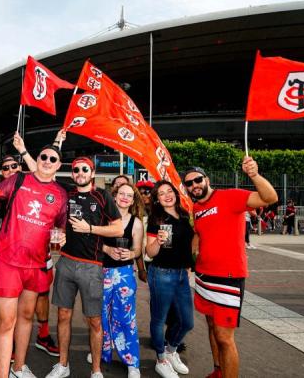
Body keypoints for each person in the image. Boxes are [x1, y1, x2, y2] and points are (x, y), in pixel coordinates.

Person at [186, 158, 278, 378]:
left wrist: (254, 175)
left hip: (227, 277)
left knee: (224, 337)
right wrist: (191, 258)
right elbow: (200, 234)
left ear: (206, 179)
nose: (194, 186)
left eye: (197, 180)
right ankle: (218, 370)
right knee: (211, 326)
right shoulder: (197, 208)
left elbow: (270, 198)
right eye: (189, 183)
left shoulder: (230, 196)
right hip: (203, 276)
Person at [0, 144, 68, 378]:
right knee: (7, 322)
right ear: (37, 158)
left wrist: (61, 237)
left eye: (52, 159)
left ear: (58, 165)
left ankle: (19, 367)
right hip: (9, 261)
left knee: (26, 317)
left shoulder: (61, 194)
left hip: (36, 264)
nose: (47, 160)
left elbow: (60, 228)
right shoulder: (17, 180)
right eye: (43, 156)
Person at [46, 157, 123, 378]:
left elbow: (117, 229)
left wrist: (89, 228)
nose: (80, 172)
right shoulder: (66, 193)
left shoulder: (102, 196)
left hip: (92, 266)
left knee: (94, 320)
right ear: (72, 174)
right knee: (62, 315)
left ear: (92, 172)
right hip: (66, 262)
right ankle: (63, 364)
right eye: (76, 170)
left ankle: (96, 370)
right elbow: (43, 169)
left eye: (84, 169)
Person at [145, 180, 195, 378]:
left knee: (187, 321)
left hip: (182, 274)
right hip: (162, 273)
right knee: (159, 320)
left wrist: (190, 266)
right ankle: (160, 359)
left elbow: (189, 244)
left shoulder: (184, 215)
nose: (167, 195)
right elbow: (149, 252)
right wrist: (157, 241)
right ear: (157, 199)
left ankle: (171, 351)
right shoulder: (156, 219)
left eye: (169, 191)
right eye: (161, 193)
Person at [98, 182, 144, 378]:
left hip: (124, 273)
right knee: (100, 315)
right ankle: (102, 352)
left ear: (133, 201)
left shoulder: (137, 223)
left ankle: (132, 361)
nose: (125, 197)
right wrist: (107, 249)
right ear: (114, 196)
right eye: (122, 194)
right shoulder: (103, 218)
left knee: (126, 318)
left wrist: (130, 254)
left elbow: (138, 250)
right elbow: (92, 241)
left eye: (130, 195)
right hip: (101, 271)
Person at [134, 180, 154, 283]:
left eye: (146, 192)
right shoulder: (136, 215)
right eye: (140, 193)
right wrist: (141, 269)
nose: (143, 195)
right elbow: (137, 245)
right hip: (147, 260)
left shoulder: (160, 211)